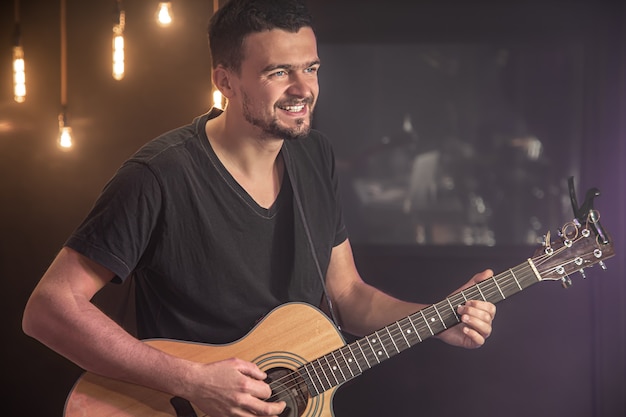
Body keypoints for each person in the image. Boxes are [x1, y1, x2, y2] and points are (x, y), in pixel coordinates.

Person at [22, 1, 496, 416]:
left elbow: (349, 296)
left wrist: (438, 318)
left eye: (311, 68)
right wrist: (193, 382)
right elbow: (48, 309)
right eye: (278, 72)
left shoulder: (315, 156)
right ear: (224, 81)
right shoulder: (159, 175)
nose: (302, 88)